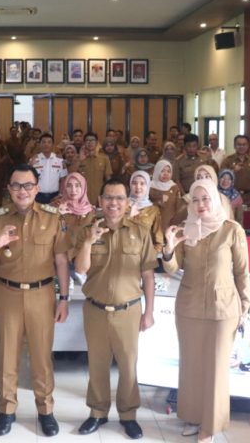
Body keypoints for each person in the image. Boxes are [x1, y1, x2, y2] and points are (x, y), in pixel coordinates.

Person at [0, 165, 70, 437]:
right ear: (9, 189)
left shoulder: (53, 218)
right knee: (8, 355)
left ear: (37, 188)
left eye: (28, 185)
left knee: (42, 356)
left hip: (43, 294)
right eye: (16, 185)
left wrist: (63, 299)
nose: (22, 191)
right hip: (8, 294)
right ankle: (7, 410)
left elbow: (61, 260)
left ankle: (45, 410)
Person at [162, 179, 250, 443]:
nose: (201, 205)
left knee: (215, 368)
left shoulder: (232, 230)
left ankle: (209, 426)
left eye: (206, 198)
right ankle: (193, 416)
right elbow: (172, 268)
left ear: (215, 199)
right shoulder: (185, 229)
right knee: (191, 365)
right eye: (196, 199)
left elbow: (242, 272)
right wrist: (168, 247)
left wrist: (245, 306)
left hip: (223, 309)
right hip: (188, 306)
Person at [73, 178, 155, 440]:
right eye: (108, 198)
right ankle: (97, 412)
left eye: (119, 198)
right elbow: (81, 269)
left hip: (129, 310)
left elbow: (148, 275)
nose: (113, 203)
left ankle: (128, 415)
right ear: (100, 201)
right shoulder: (88, 228)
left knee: (128, 365)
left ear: (127, 202)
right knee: (97, 364)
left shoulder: (140, 231)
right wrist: (89, 241)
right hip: (95, 310)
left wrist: (149, 311)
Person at [127, 171, 164, 253]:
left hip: (145, 256)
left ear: (147, 186)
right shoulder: (122, 206)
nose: (138, 187)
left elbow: (159, 240)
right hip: (124, 255)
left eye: (142, 183)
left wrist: (150, 254)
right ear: (130, 185)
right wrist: (129, 216)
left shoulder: (153, 210)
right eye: (134, 183)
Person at [220, 135, 250, 205]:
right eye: (239, 144)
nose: (241, 147)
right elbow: (221, 178)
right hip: (231, 196)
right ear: (234, 146)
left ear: (248, 146)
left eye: (244, 144)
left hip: (248, 197)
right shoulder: (227, 160)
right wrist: (233, 171)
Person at [30, 133, 68, 204]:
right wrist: (30, 166)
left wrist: (61, 194)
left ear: (53, 145)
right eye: (43, 142)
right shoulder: (34, 160)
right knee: (39, 215)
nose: (46, 144)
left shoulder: (59, 160)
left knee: (54, 214)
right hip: (37, 195)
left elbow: (63, 179)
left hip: (55, 196)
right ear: (40, 144)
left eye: (49, 142)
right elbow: (28, 178)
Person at [149, 160, 184, 233]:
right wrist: (159, 201)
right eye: (162, 171)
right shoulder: (150, 187)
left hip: (169, 222)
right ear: (157, 171)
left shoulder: (174, 187)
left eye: (168, 171)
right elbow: (146, 205)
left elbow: (179, 206)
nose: (166, 174)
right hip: (153, 221)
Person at [79, 132, 113, 206]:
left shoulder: (104, 158)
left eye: (92, 140)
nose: (90, 142)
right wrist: (80, 161)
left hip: (99, 197)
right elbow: (73, 176)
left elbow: (108, 179)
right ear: (84, 143)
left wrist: (109, 195)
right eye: (87, 140)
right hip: (82, 198)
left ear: (97, 142)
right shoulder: (79, 159)